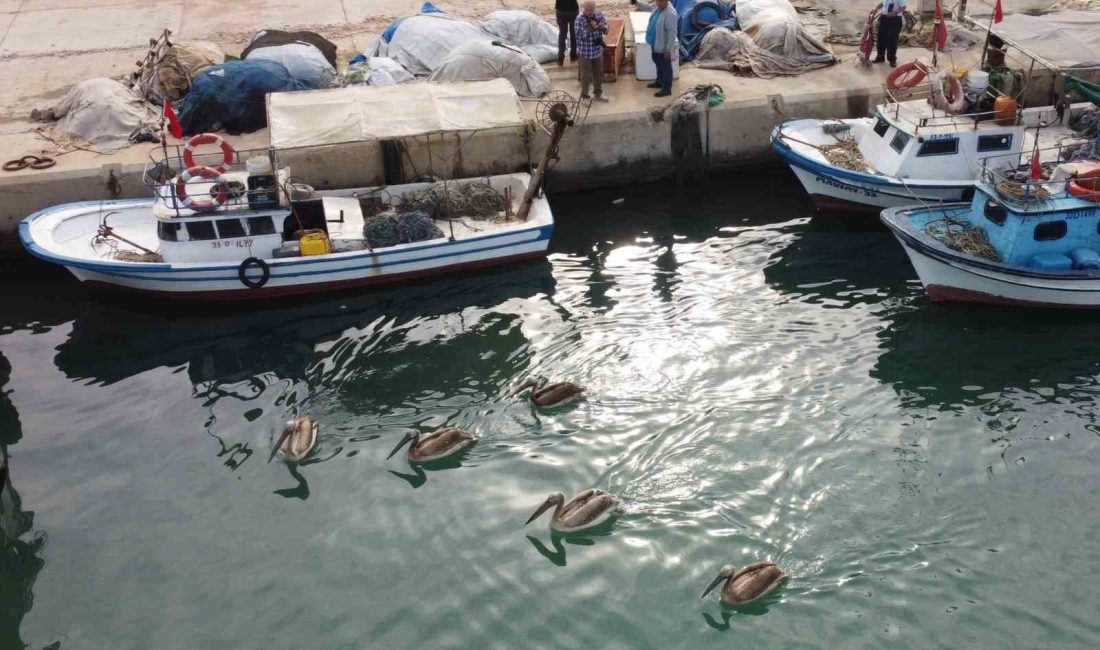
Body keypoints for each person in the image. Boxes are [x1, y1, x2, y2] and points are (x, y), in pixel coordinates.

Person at [632, 0, 679, 97]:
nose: (658, 3)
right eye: (657, 1)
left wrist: (668, 49)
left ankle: (666, 89)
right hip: (655, 43)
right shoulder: (657, 5)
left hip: (663, 46)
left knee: (665, 67)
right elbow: (648, 7)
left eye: (661, 1)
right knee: (657, 62)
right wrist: (636, 2)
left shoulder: (670, 14)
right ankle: (659, 82)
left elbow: (672, 33)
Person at [575, 2, 610, 102]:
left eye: (591, 10)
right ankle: (585, 97)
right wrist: (589, 29)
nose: (589, 13)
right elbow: (578, 36)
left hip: (597, 50)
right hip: (585, 52)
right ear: (584, 9)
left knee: (598, 73)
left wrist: (602, 27)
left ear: (595, 8)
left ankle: (598, 94)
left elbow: (607, 29)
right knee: (586, 76)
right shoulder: (579, 19)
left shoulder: (599, 14)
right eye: (587, 10)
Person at [873, 0, 908, 68]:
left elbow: (903, 6)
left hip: (895, 19)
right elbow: (882, 3)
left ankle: (892, 59)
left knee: (892, 40)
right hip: (884, 18)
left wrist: (894, 13)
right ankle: (880, 57)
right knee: (881, 38)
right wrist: (876, 8)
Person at [556, 0, 580, 65]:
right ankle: (573, 55)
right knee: (574, 33)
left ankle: (560, 57)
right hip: (572, 8)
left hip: (560, 8)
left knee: (562, 34)